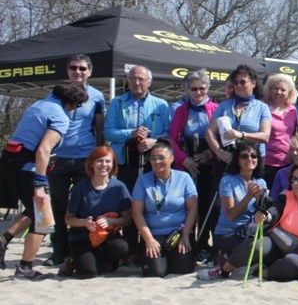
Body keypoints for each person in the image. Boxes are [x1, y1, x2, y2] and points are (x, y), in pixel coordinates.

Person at [0, 82, 89, 278]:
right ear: (72, 103)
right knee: (44, 220)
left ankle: (4, 240)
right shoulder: (60, 116)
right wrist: (39, 184)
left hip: (10, 164)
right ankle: (25, 267)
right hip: (28, 169)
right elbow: (43, 150)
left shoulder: (38, 105)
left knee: (32, 210)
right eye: (78, 105)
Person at [205, 163, 298, 282]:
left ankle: (259, 272)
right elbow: (274, 210)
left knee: (291, 264)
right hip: (278, 242)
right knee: (255, 245)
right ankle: (223, 271)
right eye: (293, 179)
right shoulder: (286, 196)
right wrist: (265, 216)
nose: (296, 183)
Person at [47, 55, 106, 267]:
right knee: (59, 206)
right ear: (68, 70)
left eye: (82, 68)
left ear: (90, 71)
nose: (78, 72)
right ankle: (58, 251)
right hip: (59, 157)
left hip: (85, 158)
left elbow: (99, 129)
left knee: (84, 206)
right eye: (73, 68)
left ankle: (80, 251)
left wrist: (100, 155)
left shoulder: (97, 96)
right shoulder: (55, 93)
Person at [168, 69, 218, 255]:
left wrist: (210, 153)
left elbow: (222, 139)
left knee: (205, 206)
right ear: (187, 89)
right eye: (194, 89)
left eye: (202, 88)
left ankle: (204, 244)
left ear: (207, 88)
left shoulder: (216, 109)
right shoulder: (180, 110)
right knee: (187, 206)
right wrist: (184, 160)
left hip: (209, 165)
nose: (198, 92)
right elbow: (172, 140)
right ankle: (185, 242)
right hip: (186, 164)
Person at [63, 146, 132, 279]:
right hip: (82, 236)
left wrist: (111, 221)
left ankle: (104, 259)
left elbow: (127, 219)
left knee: (121, 248)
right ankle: (73, 260)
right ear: (92, 164)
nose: (103, 165)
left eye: (108, 161)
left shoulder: (119, 187)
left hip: (107, 236)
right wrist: (85, 223)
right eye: (99, 161)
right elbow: (68, 219)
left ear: (113, 165)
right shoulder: (80, 188)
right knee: (90, 273)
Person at [132, 139, 198, 277]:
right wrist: (148, 239)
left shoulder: (184, 177)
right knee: (155, 272)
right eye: (153, 158)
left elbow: (193, 208)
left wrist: (186, 234)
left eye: (161, 158)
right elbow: (137, 212)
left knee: (182, 270)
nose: (156, 162)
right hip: (153, 234)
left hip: (177, 234)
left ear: (171, 159)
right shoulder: (142, 180)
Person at [104, 65, 170, 201]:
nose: (136, 82)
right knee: (125, 201)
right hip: (124, 162)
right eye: (132, 79)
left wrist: (154, 141)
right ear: (128, 81)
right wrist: (131, 133)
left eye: (141, 79)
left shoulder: (161, 105)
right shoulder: (117, 102)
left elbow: (168, 133)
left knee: (151, 200)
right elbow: (108, 133)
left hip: (152, 162)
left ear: (149, 82)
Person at [203, 141, 267, 272]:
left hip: (248, 231)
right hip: (227, 232)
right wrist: (249, 196)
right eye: (244, 156)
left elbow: (262, 211)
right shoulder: (227, 181)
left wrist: (260, 206)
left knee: (266, 246)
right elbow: (231, 215)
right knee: (253, 247)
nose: (249, 159)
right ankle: (226, 258)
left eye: (253, 156)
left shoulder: (261, 182)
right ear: (237, 160)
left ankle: (232, 258)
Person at [207, 65, 272, 164]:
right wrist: (219, 151)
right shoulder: (224, 105)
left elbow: (265, 136)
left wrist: (241, 135)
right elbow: (210, 132)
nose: (238, 85)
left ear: (253, 83)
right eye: (235, 82)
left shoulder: (262, 107)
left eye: (242, 82)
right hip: (229, 157)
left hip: (252, 159)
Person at [262, 73, 298, 188]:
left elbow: (295, 134)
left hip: (287, 163)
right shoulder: (262, 107)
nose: (279, 92)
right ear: (269, 89)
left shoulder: (293, 110)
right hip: (265, 162)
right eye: (275, 88)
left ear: (289, 93)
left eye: (283, 90)